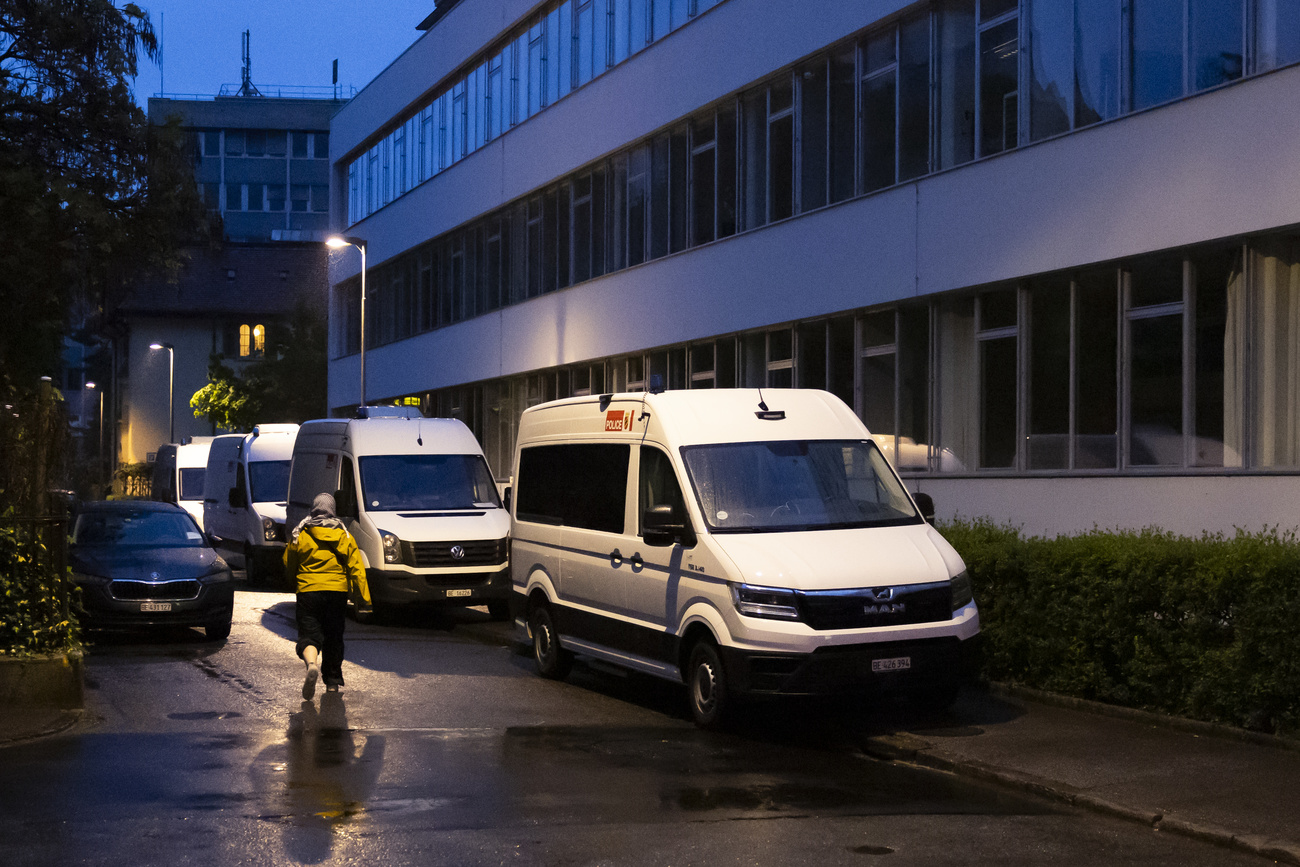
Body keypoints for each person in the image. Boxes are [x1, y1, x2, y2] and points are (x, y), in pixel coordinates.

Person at [283, 492, 369, 700]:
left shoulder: (301, 533)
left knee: (309, 634)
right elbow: (357, 569)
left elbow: (288, 563)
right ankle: (332, 683)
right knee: (333, 637)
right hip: (336, 593)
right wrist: (363, 600)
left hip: (308, 591)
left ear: (313, 509)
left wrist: (294, 581)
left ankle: (311, 665)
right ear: (333, 510)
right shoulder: (344, 535)